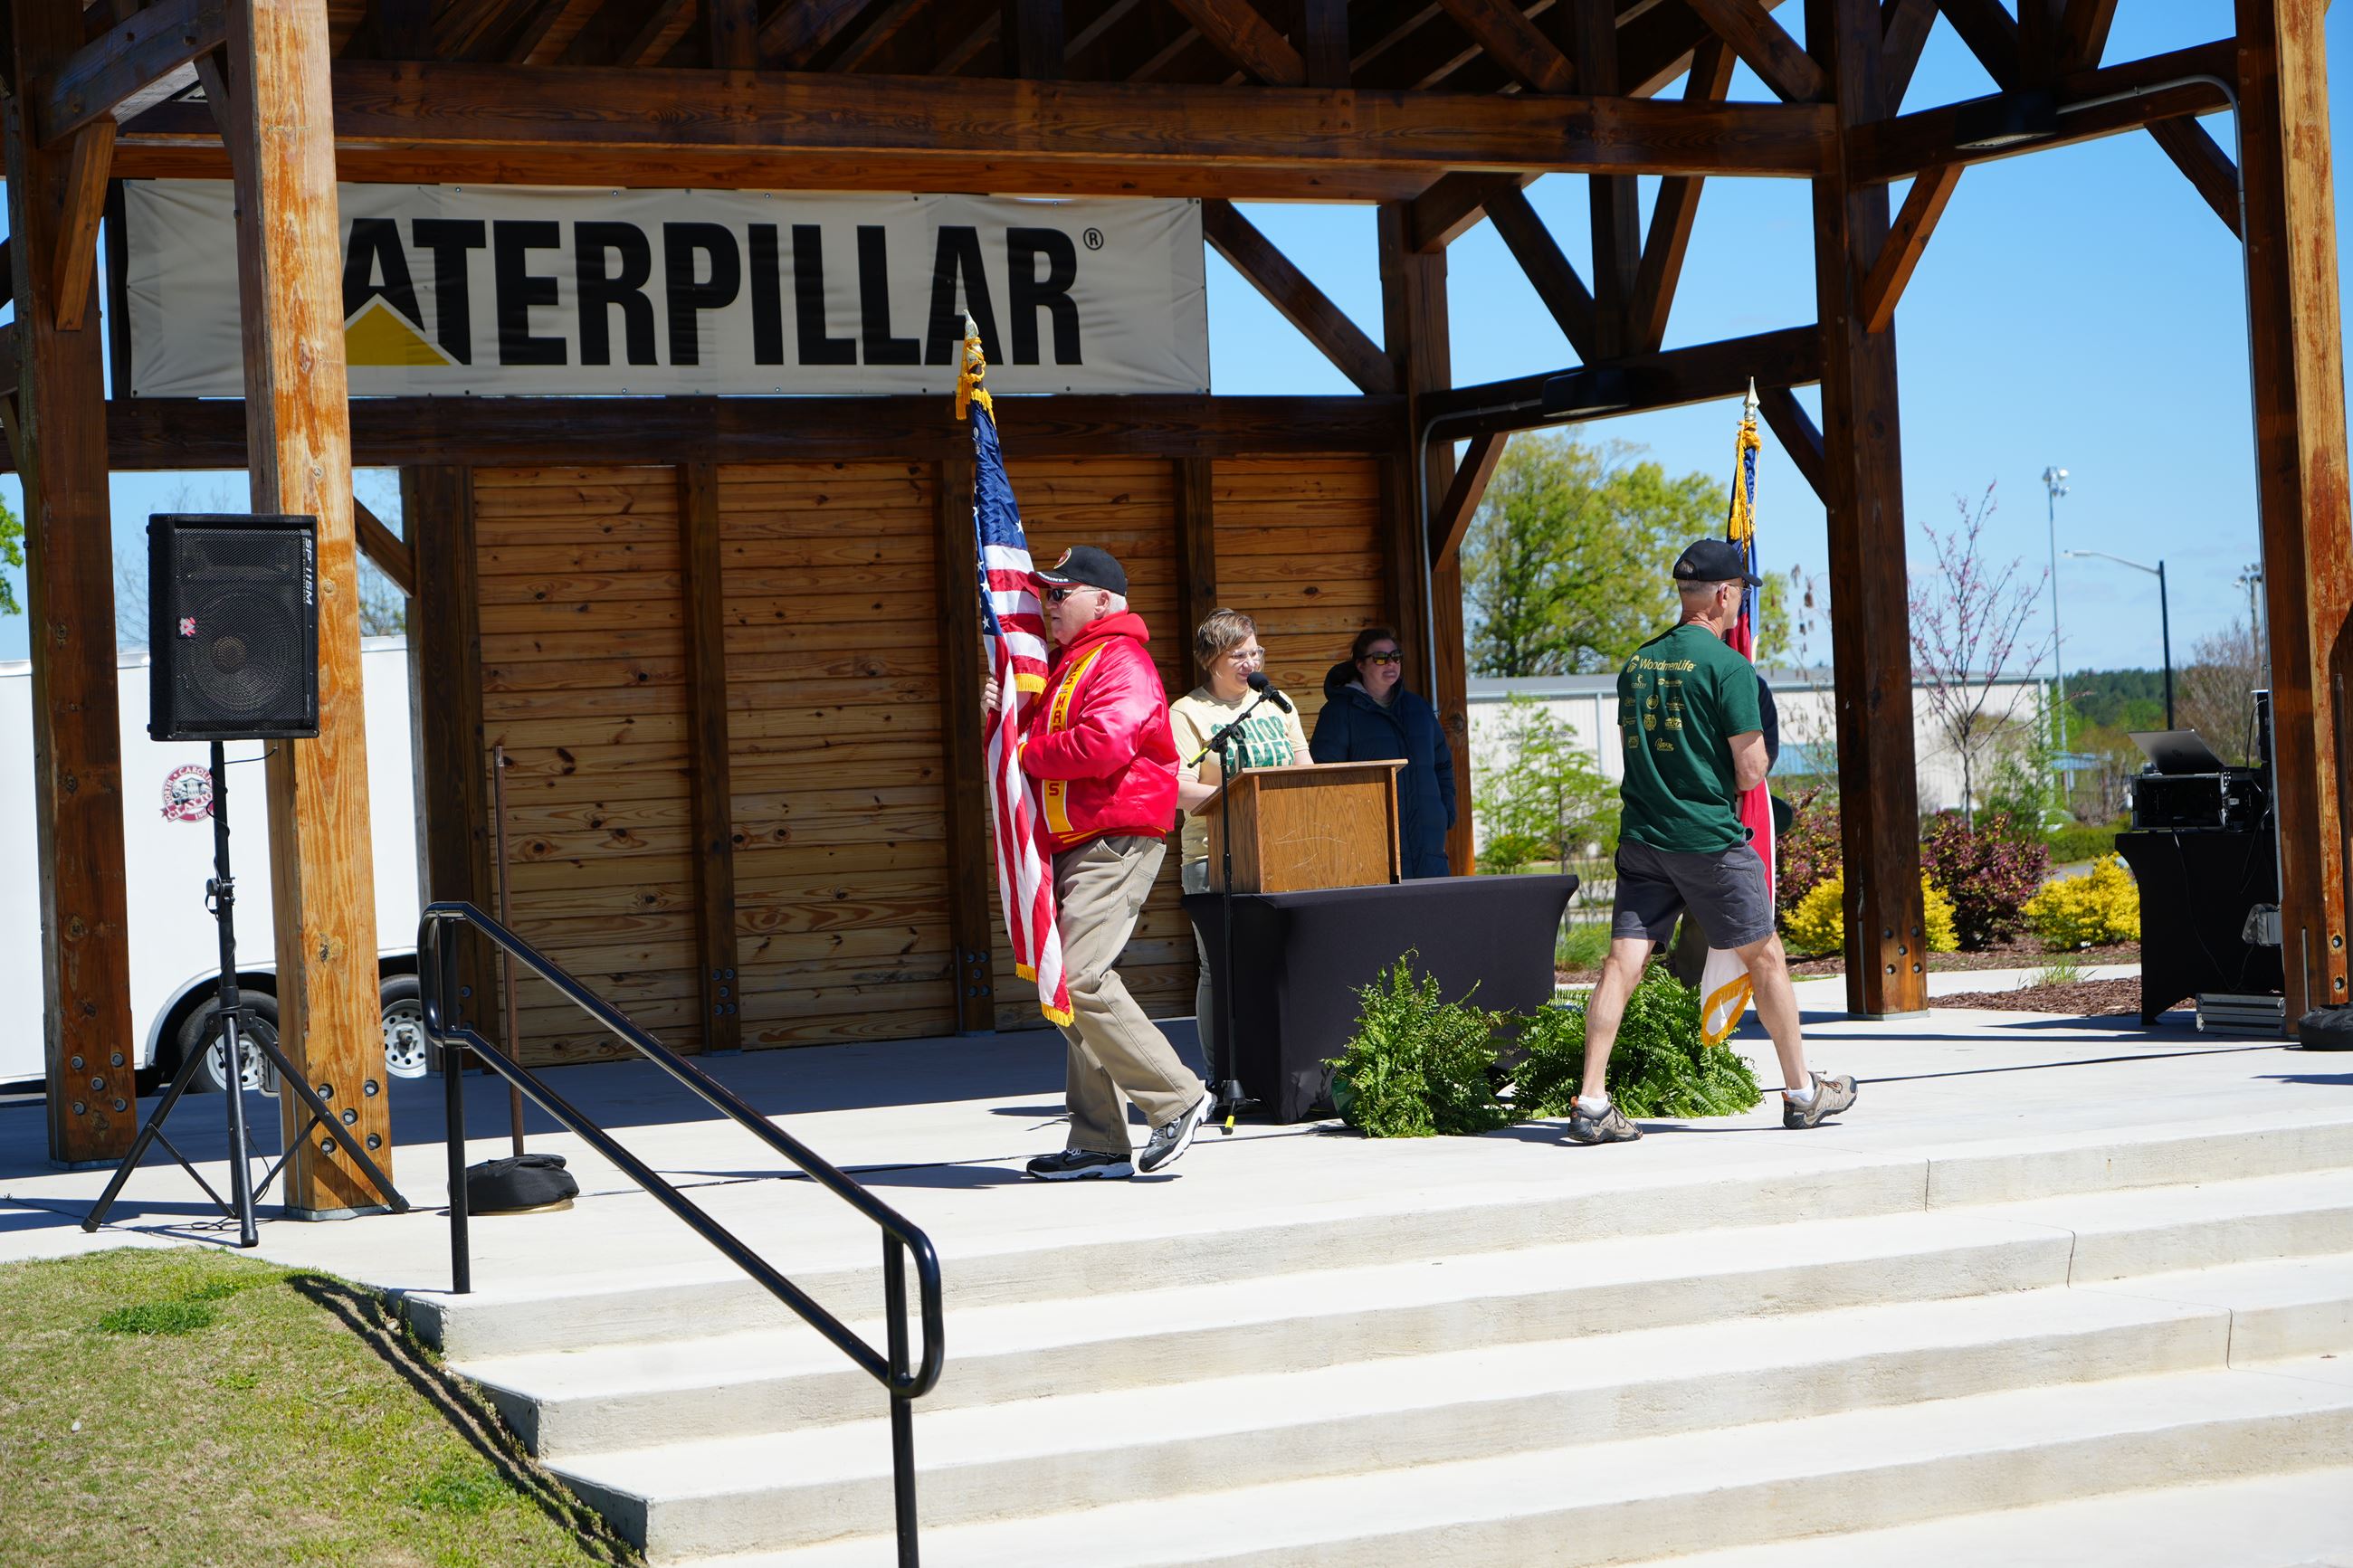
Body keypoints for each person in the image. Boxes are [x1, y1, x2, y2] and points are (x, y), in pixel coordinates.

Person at [1569, 538, 1856, 1145]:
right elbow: (1750, 773)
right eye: (1742, 592)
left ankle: (1591, 1099)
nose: (1741, 602)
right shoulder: (1730, 669)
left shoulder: (1638, 663)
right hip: (1707, 840)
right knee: (1766, 958)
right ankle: (1802, 1093)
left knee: (1622, 963)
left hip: (1643, 836)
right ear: (1725, 594)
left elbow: (1640, 751)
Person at [987, 546, 1213, 1181]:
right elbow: (1046, 733)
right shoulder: (1072, 662)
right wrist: (1004, 711)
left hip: (1115, 837)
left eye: (1061, 593)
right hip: (1079, 839)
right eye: (1046, 593)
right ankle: (1100, 1142)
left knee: (1081, 977)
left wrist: (1024, 749)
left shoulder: (1122, 659)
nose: (1048, 604)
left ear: (1104, 600)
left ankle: (1178, 1098)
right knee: (1067, 985)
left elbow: (1104, 743)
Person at [1167, 609, 1312, 1067]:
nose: (1251, 662)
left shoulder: (1277, 703)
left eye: (1255, 652)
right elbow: (1178, 789)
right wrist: (1241, 796)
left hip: (1283, 852)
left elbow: (1305, 771)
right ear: (1212, 659)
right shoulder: (1187, 713)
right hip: (1213, 856)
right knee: (1219, 968)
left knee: (1284, 962)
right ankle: (1222, 1075)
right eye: (1238, 655)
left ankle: (1282, 1069)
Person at [1310, 627, 1456, 879]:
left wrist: (1445, 812)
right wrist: (1343, 829)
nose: (1391, 663)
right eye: (1380, 658)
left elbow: (1442, 765)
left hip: (1428, 846)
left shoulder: (1419, 709)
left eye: (1396, 656)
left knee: (1433, 905)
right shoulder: (1339, 712)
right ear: (1360, 665)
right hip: (1370, 848)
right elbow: (1324, 777)